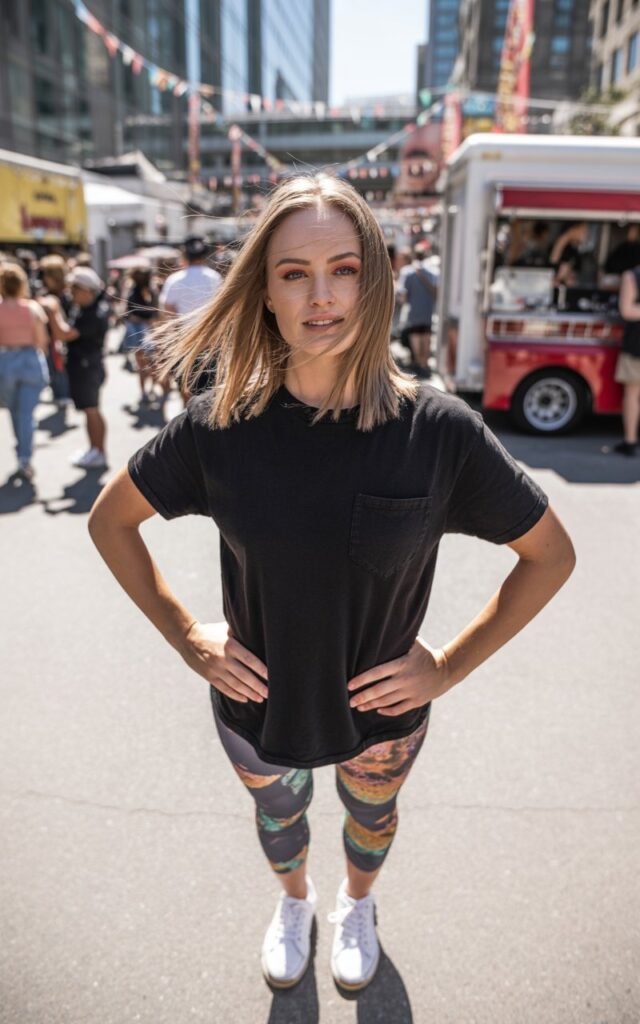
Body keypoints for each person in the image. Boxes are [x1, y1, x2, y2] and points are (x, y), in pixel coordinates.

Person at [87, 175, 575, 994]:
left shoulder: (438, 431)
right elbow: (110, 521)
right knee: (279, 823)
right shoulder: (219, 427)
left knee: (371, 818)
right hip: (255, 702)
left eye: (344, 269)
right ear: (264, 292)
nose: (322, 296)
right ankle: (294, 903)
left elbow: (550, 555)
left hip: (384, 711)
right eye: (293, 273)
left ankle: (356, 904)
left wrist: (448, 666)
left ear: (374, 280)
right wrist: (185, 634)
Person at [43, 267, 110, 469]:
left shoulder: (93, 313)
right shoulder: (85, 308)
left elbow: (65, 334)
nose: (70, 293)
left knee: (91, 410)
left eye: (75, 289)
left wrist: (53, 311)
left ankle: (98, 451)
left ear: (86, 290)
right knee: (90, 410)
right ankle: (95, 449)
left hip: (87, 368)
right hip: (84, 366)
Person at [0, 261, 49, 481]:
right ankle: (25, 458)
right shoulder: (32, 308)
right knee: (27, 414)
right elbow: (42, 341)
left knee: (14, 412)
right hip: (30, 361)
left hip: (6, 361)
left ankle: (21, 449)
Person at [123, 266, 166, 405]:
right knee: (153, 364)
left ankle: (144, 392)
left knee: (142, 366)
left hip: (138, 331)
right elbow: (157, 314)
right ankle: (153, 388)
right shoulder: (153, 291)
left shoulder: (132, 291)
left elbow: (128, 313)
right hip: (151, 329)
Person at [613, 263, 640, 455]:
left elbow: (627, 310)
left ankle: (630, 442)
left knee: (632, 394)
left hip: (636, 345)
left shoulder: (632, 276)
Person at [398, 249, 438, 377]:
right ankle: (425, 364)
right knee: (426, 336)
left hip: (413, 310)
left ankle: (418, 362)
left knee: (415, 336)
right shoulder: (433, 272)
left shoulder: (408, 272)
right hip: (427, 310)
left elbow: (403, 295)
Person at [39, 254, 72, 406]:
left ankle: (62, 395)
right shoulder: (47, 294)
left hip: (59, 338)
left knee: (59, 367)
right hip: (49, 337)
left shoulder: (67, 295)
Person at [550, 221, 588, 287]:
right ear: (573, 229)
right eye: (583, 230)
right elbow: (553, 261)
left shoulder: (575, 251)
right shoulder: (560, 248)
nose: (586, 234)